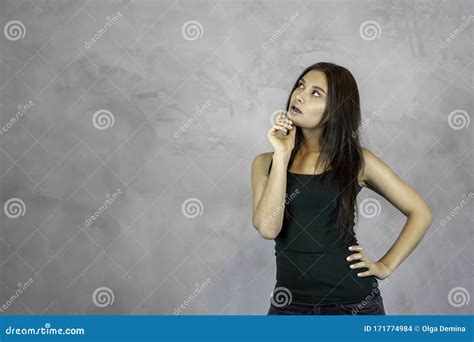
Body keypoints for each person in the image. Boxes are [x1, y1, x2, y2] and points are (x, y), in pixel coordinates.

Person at [250, 62, 433, 315]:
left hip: (353, 306)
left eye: (316, 93)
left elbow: (420, 212)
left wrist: (385, 266)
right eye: (300, 86)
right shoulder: (264, 163)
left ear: (335, 111)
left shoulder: (357, 161)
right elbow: (269, 228)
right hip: (288, 306)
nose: (300, 95)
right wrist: (282, 155)